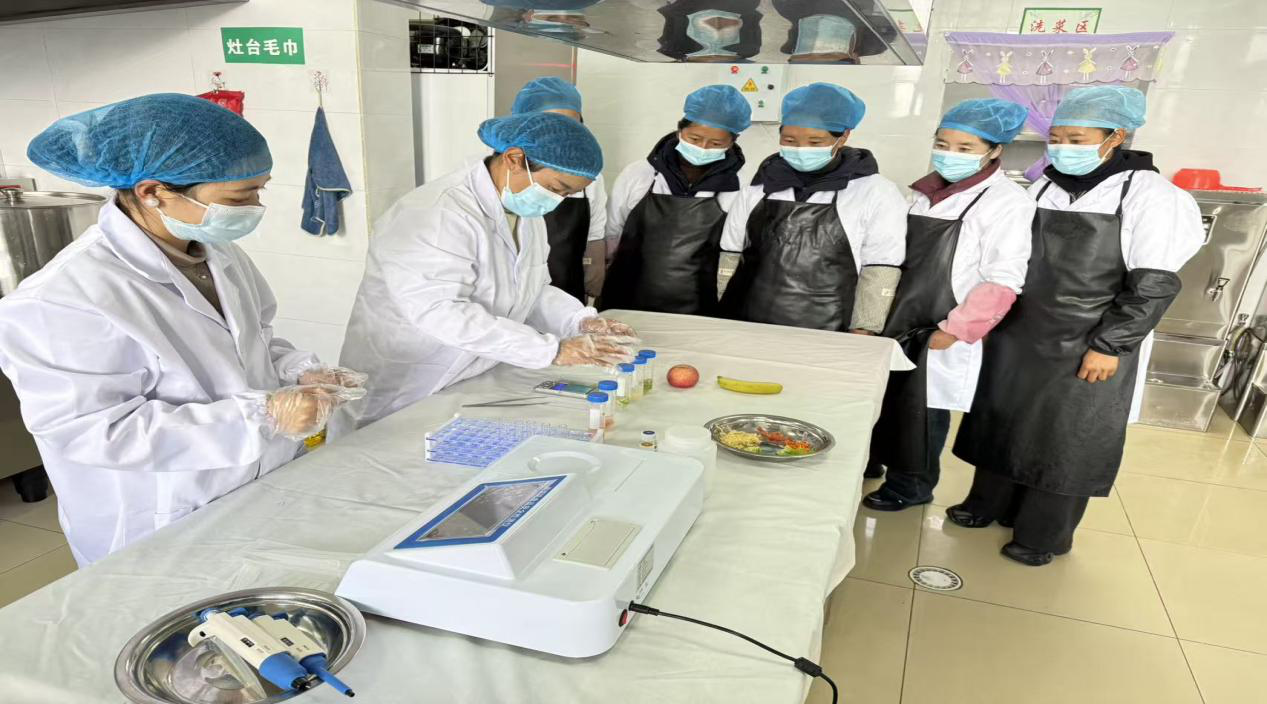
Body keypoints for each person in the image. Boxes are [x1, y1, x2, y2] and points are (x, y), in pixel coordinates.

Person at [0, 94, 364, 565]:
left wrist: (300, 373)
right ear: (153, 192)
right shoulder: (61, 299)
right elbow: (97, 433)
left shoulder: (216, 252)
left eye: (259, 191)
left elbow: (255, 341)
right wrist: (264, 416)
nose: (255, 207)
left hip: (254, 489)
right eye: (239, 198)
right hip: (160, 520)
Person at [949, 86, 1204, 566]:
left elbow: (1153, 284)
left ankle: (1044, 533)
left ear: (1116, 137)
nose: (1063, 148)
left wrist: (1111, 345)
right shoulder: (1045, 186)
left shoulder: (1152, 196)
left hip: (1089, 337)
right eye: (1057, 137)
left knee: (1066, 436)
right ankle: (989, 503)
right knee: (1005, 419)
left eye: (1077, 139)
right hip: (1021, 332)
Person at [337, 112, 636, 432]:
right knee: (382, 451)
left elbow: (531, 290)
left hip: (467, 375)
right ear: (514, 159)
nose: (557, 202)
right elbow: (440, 312)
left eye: (567, 195)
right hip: (407, 381)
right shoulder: (436, 213)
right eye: (555, 188)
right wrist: (552, 350)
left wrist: (577, 320)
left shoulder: (525, 214)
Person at [861, 98, 1034, 512]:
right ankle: (875, 462)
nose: (949, 155)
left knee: (923, 408)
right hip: (897, 312)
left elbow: (1005, 277)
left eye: (964, 148)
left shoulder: (1007, 201)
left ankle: (911, 485)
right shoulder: (921, 193)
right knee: (885, 396)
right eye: (943, 144)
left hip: (943, 321)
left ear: (994, 150)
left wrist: (957, 329)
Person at [719, 82, 906, 333]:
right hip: (746, 322)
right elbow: (730, 253)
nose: (801, 150)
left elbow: (880, 267)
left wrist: (865, 329)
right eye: (789, 140)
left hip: (827, 330)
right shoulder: (760, 187)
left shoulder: (875, 192)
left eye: (815, 142)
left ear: (844, 136)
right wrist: (721, 314)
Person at [600, 84, 751, 315]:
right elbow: (612, 231)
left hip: (699, 306)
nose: (703, 148)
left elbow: (735, 249)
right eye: (695, 138)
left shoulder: (740, 185)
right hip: (626, 296)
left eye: (716, 144)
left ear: (733, 142)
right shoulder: (640, 174)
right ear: (680, 130)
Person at [511, 77, 608, 302]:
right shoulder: (501, 172)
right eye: (551, 124)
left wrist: (594, 269)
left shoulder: (586, 175)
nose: (562, 134)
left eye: (571, 124)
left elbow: (595, 231)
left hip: (566, 288)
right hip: (510, 293)